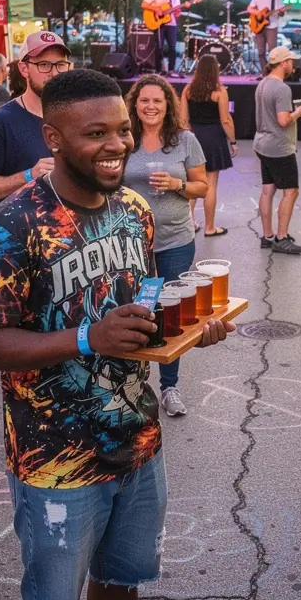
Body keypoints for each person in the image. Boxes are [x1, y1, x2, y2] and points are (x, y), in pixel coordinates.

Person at [0, 69, 232, 600]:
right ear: (53, 138)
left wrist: (187, 328)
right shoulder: (10, 227)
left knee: (121, 580)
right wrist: (86, 338)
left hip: (136, 437)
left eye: (122, 130)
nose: (117, 146)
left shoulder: (135, 210)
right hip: (55, 457)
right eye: (97, 134)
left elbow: (137, 303)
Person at [123, 75, 208, 416]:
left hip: (175, 241)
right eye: (144, 100)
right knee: (137, 312)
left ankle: (169, 386)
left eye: (157, 100)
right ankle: (133, 383)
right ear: (134, 105)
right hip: (132, 244)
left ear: (168, 104)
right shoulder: (125, 138)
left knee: (168, 315)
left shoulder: (185, 140)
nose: (150, 106)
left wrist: (176, 184)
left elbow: (202, 187)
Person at [0, 31, 71, 218]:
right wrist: (28, 175)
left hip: (62, 229)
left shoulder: (72, 118)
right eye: (44, 65)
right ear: (24, 69)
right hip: (13, 232)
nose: (54, 72)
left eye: (60, 64)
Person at [254, 46, 301, 255]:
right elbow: (283, 120)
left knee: (268, 190)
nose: (293, 65)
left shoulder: (262, 83)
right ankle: (282, 237)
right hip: (279, 147)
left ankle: (267, 236)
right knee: (291, 191)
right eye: (291, 61)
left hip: (262, 143)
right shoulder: (282, 88)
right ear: (283, 63)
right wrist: (299, 111)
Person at [181, 54, 235, 236]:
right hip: (214, 137)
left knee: (194, 182)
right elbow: (225, 119)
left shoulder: (188, 89)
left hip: (194, 136)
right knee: (211, 184)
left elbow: (183, 119)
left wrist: (187, 138)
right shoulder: (219, 91)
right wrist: (233, 142)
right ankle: (210, 227)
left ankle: (189, 223)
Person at [140, 0, 181, 75]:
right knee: (159, 46)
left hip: (171, 24)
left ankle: (171, 70)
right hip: (158, 23)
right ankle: (158, 70)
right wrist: (156, 9)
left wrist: (178, 13)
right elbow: (144, 4)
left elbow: (177, 10)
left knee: (172, 47)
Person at [246, 0, 287, 72]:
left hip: (272, 26)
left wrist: (280, 12)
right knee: (261, 52)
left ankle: (273, 72)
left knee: (272, 52)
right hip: (259, 26)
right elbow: (249, 8)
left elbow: (282, 13)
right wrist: (259, 13)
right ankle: (265, 73)